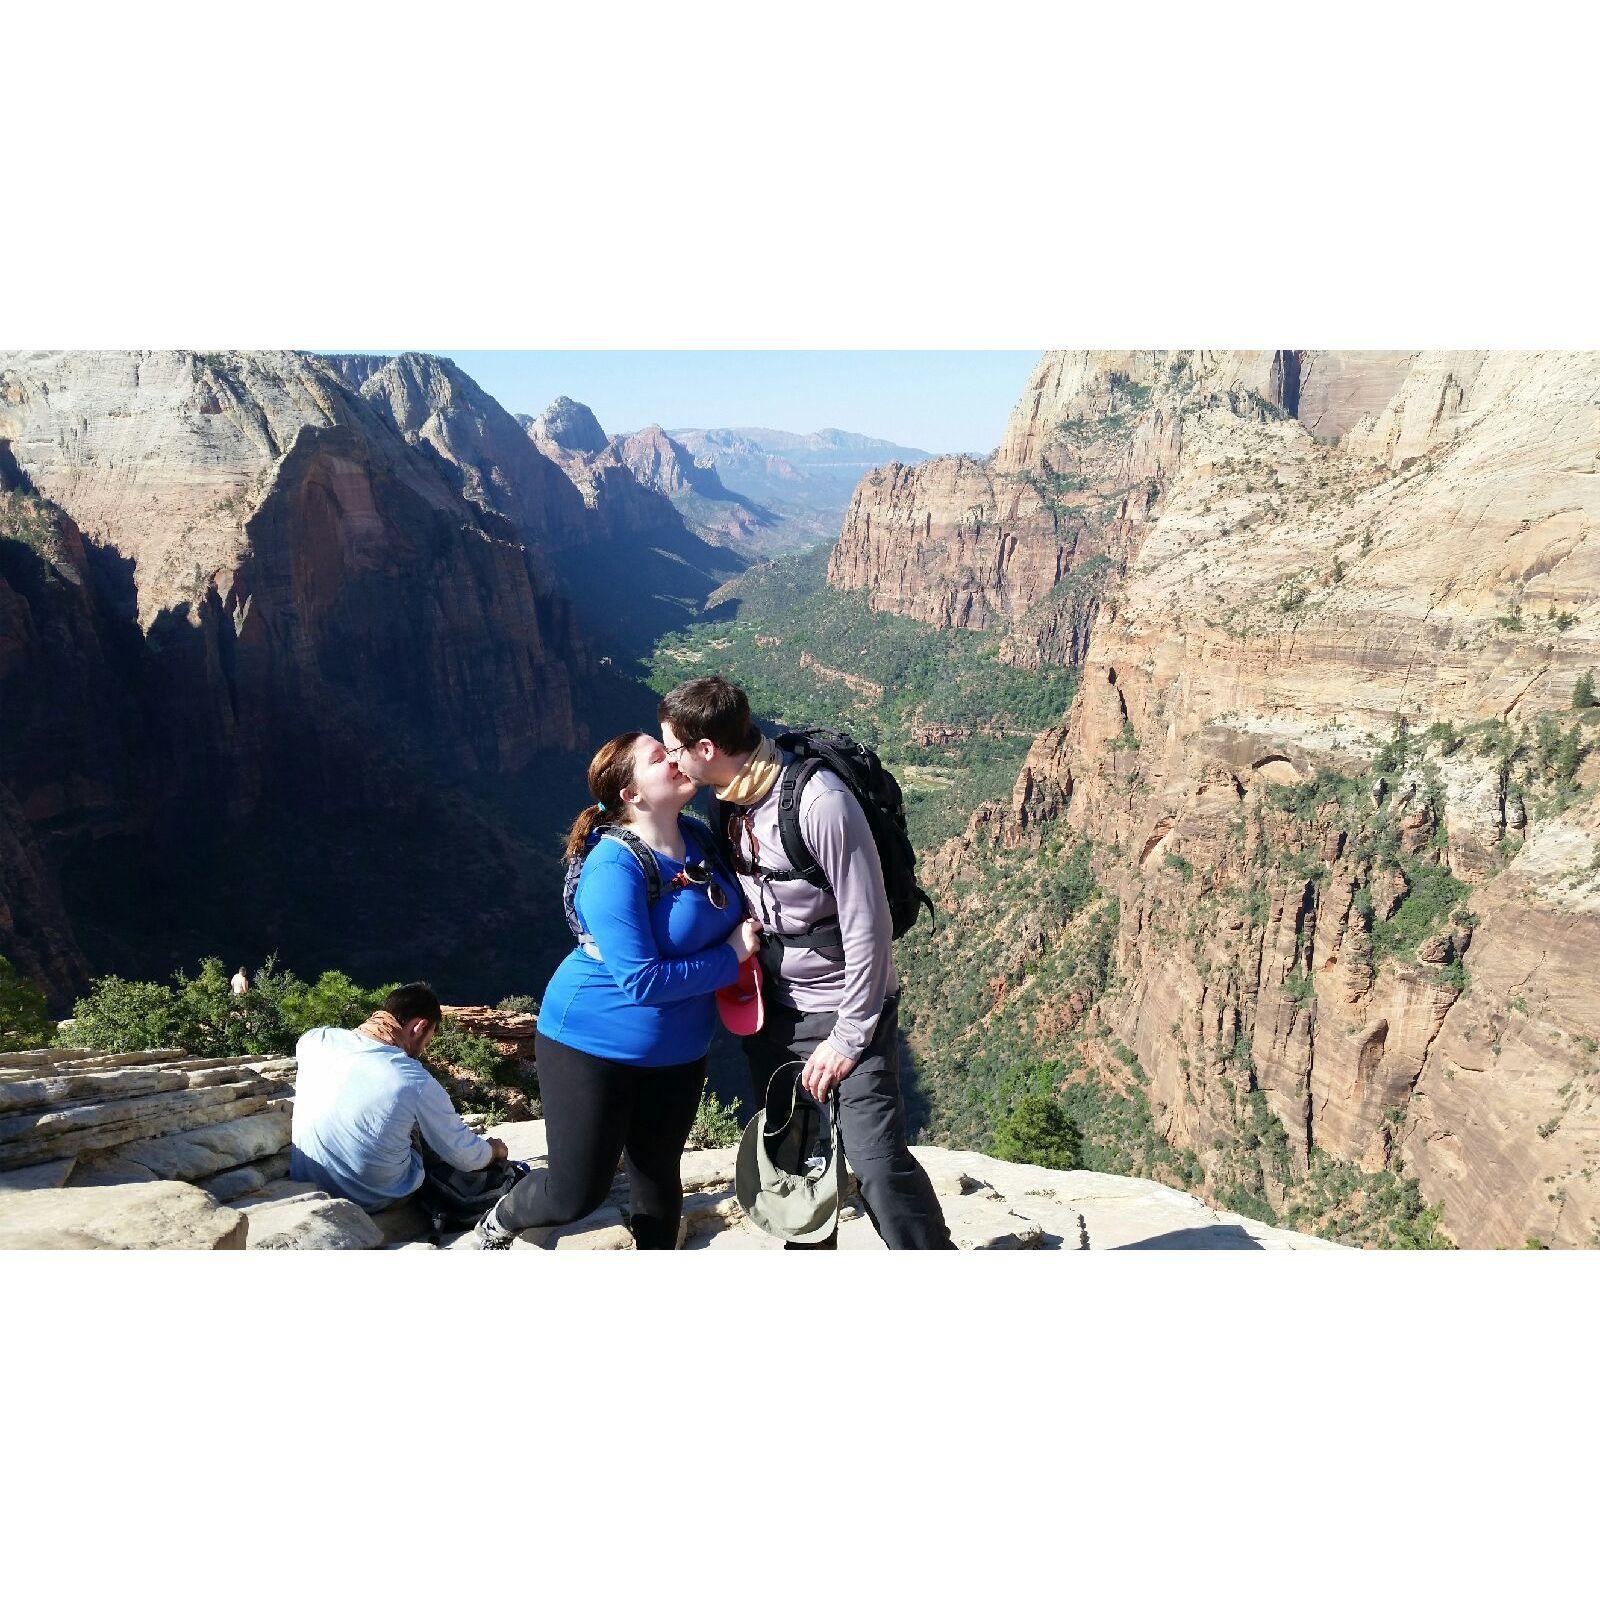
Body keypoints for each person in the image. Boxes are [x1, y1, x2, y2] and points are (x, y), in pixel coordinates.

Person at [659, 675, 953, 1249]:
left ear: (706, 750)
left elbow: (870, 926)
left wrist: (847, 1039)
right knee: (790, 1162)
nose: (672, 764)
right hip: (776, 1013)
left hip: (848, 1006)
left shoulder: (819, 804)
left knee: (875, 1163)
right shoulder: (728, 806)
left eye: (674, 750)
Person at [477, 732, 759, 1249]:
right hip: (590, 1042)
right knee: (576, 1193)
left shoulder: (701, 838)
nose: (676, 759)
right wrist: (731, 956)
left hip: (680, 1050)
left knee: (658, 1181)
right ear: (631, 794)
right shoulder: (614, 865)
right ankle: (502, 1217)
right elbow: (643, 981)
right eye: (660, 758)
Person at [290, 982, 508, 1211]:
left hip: (308, 1182)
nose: (424, 1048)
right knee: (418, 1123)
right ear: (419, 1027)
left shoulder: (314, 1040)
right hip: (373, 1197)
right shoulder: (413, 1079)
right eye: (428, 1038)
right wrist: (493, 1150)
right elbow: (464, 1156)